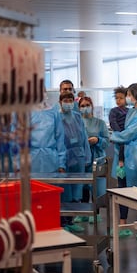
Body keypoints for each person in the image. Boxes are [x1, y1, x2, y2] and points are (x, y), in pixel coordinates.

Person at [110, 83, 137, 240]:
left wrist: (113, 136)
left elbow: (130, 133)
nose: (127, 97)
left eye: (129, 94)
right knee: (127, 190)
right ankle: (130, 223)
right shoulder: (133, 112)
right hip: (129, 153)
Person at [59, 92, 91, 232]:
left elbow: (84, 138)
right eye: (65, 100)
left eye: (70, 100)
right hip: (65, 155)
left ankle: (71, 221)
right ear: (60, 102)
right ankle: (63, 222)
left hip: (78, 156)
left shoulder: (78, 117)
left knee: (77, 190)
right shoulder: (58, 118)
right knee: (65, 191)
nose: (68, 102)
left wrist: (87, 157)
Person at [75, 96, 109, 223]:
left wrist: (98, 140)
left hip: (96, 157)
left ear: (92, 106)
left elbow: (107, 141)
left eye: (87, 105)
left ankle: (96, 213)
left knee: (96, 187)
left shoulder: (99, 123)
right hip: (82, 158)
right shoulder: (77, 123)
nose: (85, 108)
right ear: (78, 108)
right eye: (82, 106)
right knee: (82, 186)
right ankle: (84, 212)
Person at [108, 86, 130, 233]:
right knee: (122, 188)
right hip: (121, 149)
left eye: (121, 98)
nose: (119, 100)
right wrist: (123, 135)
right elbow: (116, 128)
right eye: (116, 98)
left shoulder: (132, 112)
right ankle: (122, 221)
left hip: (132, 152)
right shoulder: (113, 112)